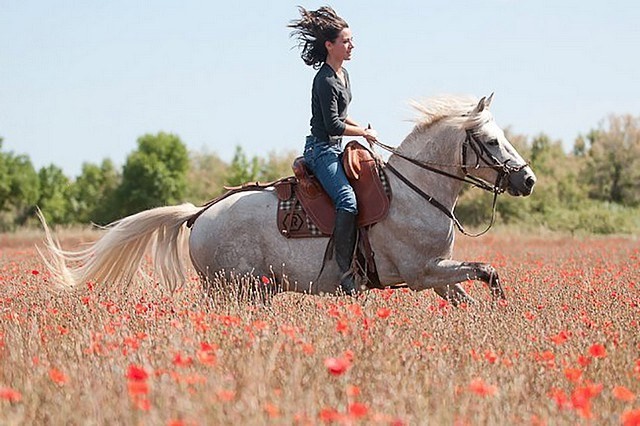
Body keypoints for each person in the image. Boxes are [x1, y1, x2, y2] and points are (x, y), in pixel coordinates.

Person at [289, 6, 378, 295]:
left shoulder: (344, 75)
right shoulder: (325, 80)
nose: (352, 46)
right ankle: (344, 272)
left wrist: (364, 130)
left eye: (352, 40)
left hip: (337, 148)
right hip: (321, 151)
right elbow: (333, 125)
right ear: (330, 45)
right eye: (346, 41)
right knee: (347, 201)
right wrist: (363, 133)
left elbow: (343, 114)